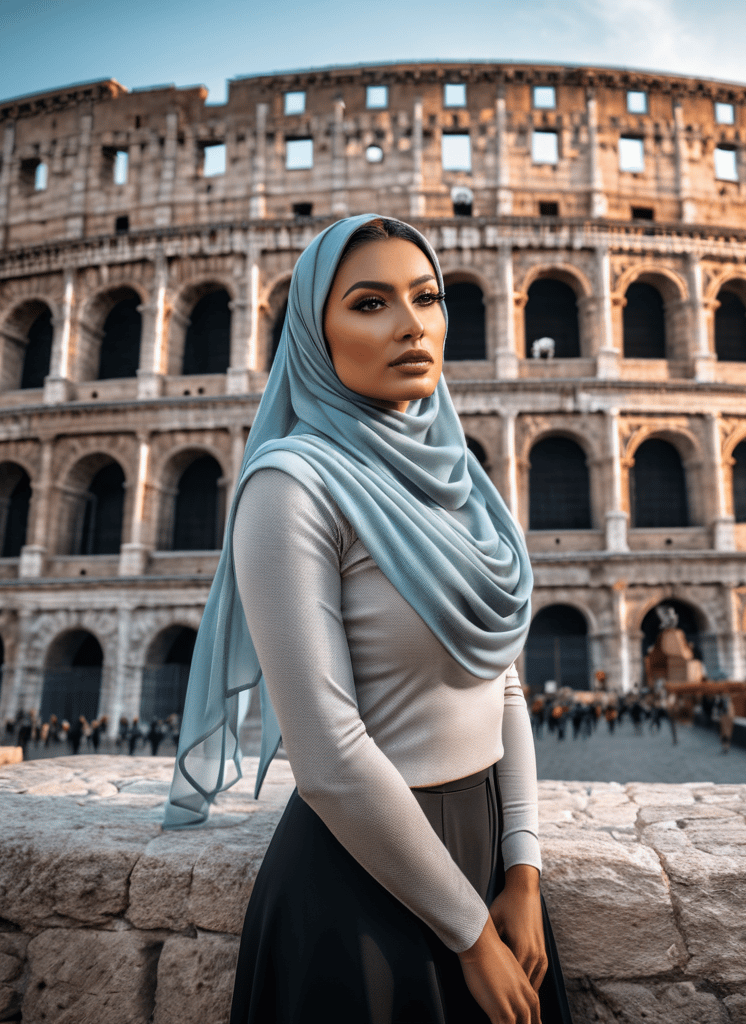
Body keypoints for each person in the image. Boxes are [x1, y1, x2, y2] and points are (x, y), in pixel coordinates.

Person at [163, 215, 571, 1024]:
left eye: (427, 297)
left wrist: (521, 869)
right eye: (370, 302)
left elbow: (504, 689)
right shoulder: (291, 487)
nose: (411, 324)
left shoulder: (455, 477)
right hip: (359, 885)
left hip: (488, 868)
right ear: (317, 332)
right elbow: (328, 758)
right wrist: (468, 936)